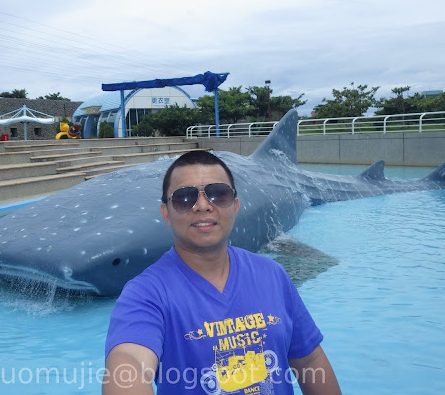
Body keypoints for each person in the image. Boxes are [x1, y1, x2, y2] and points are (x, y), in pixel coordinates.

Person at [103, 150, 341, 394]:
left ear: (235, 205)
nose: (203, 206)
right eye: (185, 198)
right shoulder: (146, 294)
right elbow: (128, 362)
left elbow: (310, 361)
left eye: (219, 194)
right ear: (166, 212)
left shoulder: (272, 275)